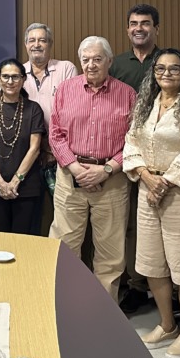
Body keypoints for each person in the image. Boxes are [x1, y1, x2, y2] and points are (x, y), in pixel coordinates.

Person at [123, 48, 180, 358]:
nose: (166, 73)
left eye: (175, 68)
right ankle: (166, 324)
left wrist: (163, 183)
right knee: (152, 264)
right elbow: (131, 142)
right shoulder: (146, 103)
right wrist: (146, 176)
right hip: (148, 190)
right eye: (160, 68)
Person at [48, 36, 136, 302]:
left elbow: (135, 140)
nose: (91, 65)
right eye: (85, 59)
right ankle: (64, 305)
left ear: (109, 61)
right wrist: (76, 169)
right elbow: (55, 134)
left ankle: (102, 312)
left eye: (97, 59)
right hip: (70, 177)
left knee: (110, 253)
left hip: (112, 180)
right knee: (63, 247)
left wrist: (107, 170)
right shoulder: (65, 90)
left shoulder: (128, 94)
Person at [111, 4, 162, 314]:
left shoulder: (168, 60)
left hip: (163, 156)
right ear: (127, 29)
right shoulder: (116, 64)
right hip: (126, 155)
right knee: (132, 224)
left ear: (156, 28)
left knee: (162, 223)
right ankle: (136, 285)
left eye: (145, 23)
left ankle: (166, 286)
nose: (138, 28)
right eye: (133, 23)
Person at [22, 22, 77, 234]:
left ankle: (67, 255)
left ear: (50, 44)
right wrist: (38, 147)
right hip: (28, 156)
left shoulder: (65, 69)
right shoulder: (17, 73)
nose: (37, 44)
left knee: (67, 214)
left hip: (59, 155)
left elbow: (71, 112)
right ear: (26, 44)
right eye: (32, 40)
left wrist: (52, 147)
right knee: (30, 214)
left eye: (42, 40)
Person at [0, 58, 45, 234]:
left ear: (23, 79)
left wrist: (15, 182)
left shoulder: (34, 109)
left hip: (26, 185)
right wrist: (0, 183)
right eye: (5, 76)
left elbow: (34, 149)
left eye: (15, 77)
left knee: (21, 238)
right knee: (0, 237)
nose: (10, 81)